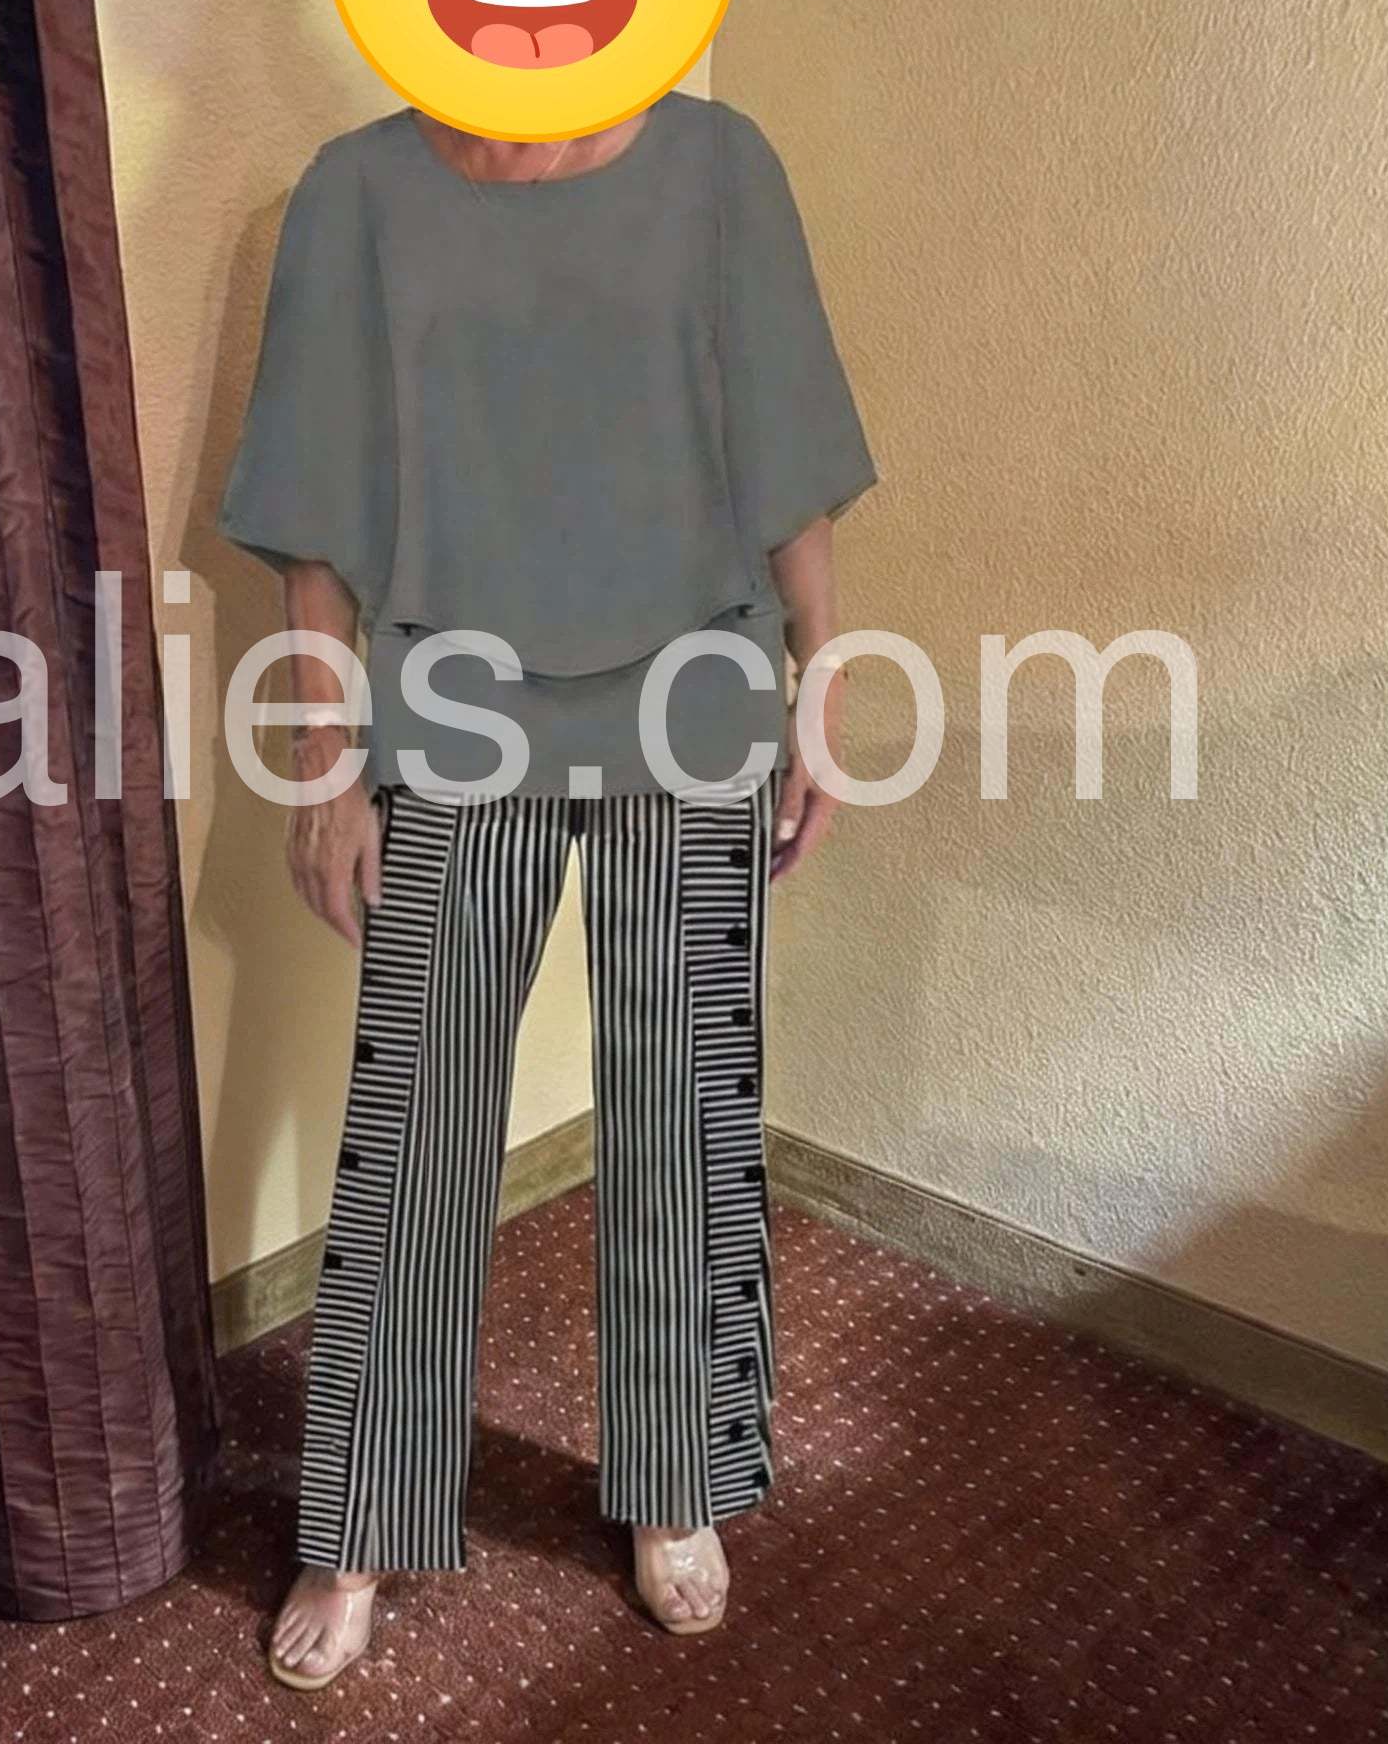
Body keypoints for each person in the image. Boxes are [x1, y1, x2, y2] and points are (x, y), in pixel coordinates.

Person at [218, 89, 877, 1689]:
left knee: (686, 1107)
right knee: (416, 1123)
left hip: (695, 698)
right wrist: (325, 767)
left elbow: (784, 446)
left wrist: (826, 684)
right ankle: (362, 1518)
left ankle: (675, 1479)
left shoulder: (722, 165)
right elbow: (313, 518)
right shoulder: (357, 190)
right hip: (451, 705)